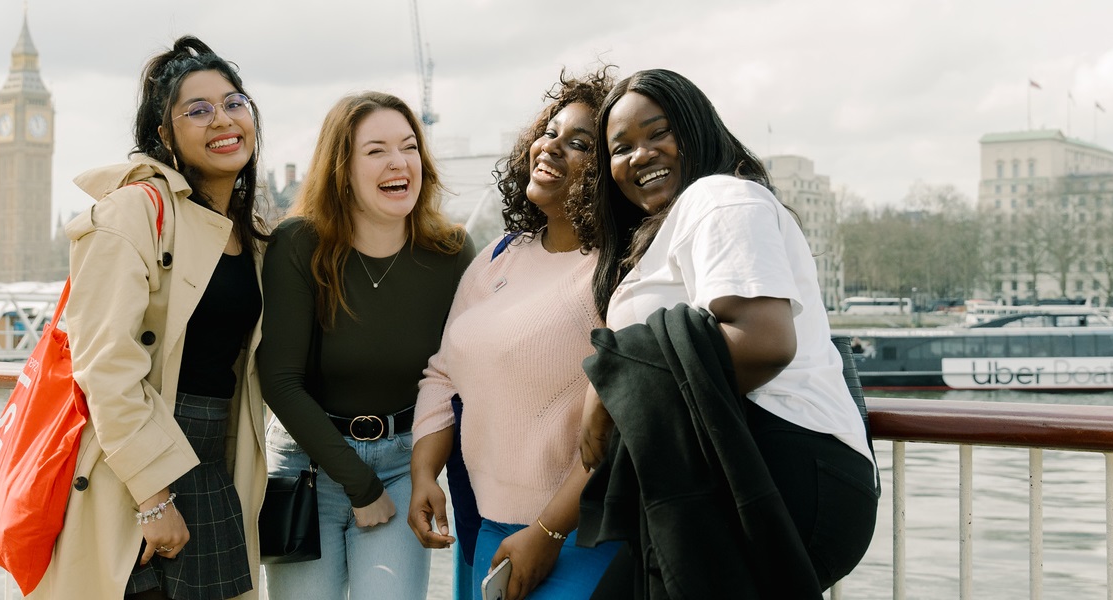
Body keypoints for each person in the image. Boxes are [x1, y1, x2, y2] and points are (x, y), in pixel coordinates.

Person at [577, 69, 878, 598]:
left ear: (697, 129)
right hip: (723, 469)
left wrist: (613, 386)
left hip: (778, 463)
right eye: (620, 148)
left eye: (658, 132)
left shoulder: (721, 197)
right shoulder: (670, 226)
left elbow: (763, 341)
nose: (640, 155)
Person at [34, 36, 270, 600]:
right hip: (137, 472)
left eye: (235, 103)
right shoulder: (131, 213)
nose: (223, 119)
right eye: (199, 109)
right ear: (164, 135)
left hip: (213, 464)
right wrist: (152, 497)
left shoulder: (249, 232)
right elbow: (106, 366)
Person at [407, 69, 619, 600]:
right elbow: (442, 372)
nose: (551, 147)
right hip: (486, 526)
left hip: (576, 534)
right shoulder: (500, 255)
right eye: (550, 131)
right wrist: (424, 472)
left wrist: (548, 531)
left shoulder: (618, 271)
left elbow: (623, 415)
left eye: (580, 143)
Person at [257, 91, 474, 600]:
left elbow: (453, 376)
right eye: (375, 150)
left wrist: (425, 471)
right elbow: (280, 381)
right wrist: (360, 485)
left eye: (408, 147)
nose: (398, 162)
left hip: (404, 468)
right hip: (306, 466)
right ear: (342, 169)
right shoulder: (298, 244)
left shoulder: (450, 253)